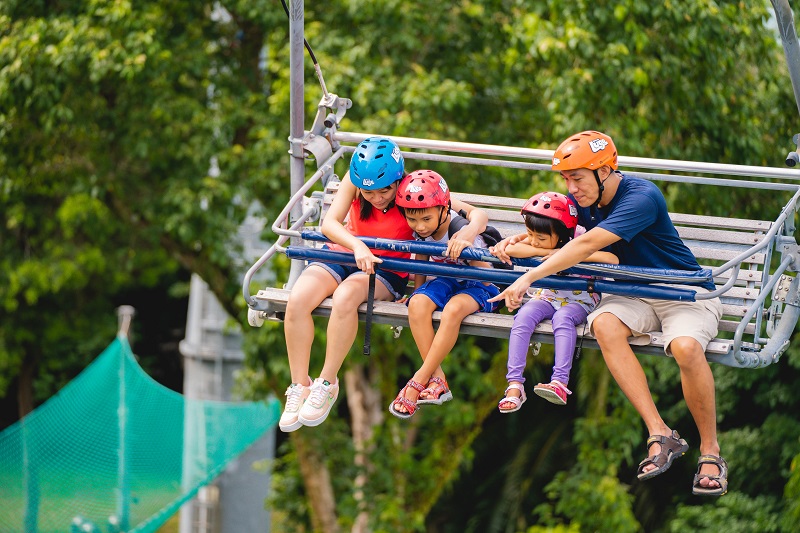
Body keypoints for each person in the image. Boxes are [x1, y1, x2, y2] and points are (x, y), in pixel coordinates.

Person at [490, 131, 727, 496]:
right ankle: (659, 432)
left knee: (685, 348)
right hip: (633, 292)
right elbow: (555, 233)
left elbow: (585, 244)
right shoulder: (581, 200)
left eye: (578, 178)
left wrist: (529, 276)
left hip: (684, 293)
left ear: (605, 171)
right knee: (603, 323)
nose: (571, 188)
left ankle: (710, 450)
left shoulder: (641, 196)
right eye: (566, 179)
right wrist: (515, 242)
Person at [279, 138, 489, 432]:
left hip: (385, 269)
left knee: (346, 297)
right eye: (369, 192)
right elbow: (329, 224)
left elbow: (477, 214)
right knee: (298, 299)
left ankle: (327, 382)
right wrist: (357, 246)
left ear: (397, 179)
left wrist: (467, 233)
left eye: (384, 191)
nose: (377, 198)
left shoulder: (412, 190)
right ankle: (299, 384)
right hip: (348, 252)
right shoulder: (354, 184)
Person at [389, 170, 499, 419]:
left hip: (480, 283)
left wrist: (468, 244)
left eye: (426, 219)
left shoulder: (457, 225)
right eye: (413, 220)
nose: (420, 226)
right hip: (447, 278)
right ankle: (438, 379)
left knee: (452, 310)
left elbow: (488, 273)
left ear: (442, 210)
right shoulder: (421, 226)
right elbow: (422, 257)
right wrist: (417, 291)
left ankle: (419, 379)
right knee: (416, 304)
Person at [494, 192, 618, 412]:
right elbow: (513, 249)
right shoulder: (538, 235)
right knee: (523, 316)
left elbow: (611, 258)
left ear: (563, 233)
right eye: (530, 234)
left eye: (540, 238)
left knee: (563, 318)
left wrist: (566, 254)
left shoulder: (582, 237)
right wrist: (547, 249)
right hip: (549, 295)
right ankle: (514, 385)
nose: (533, 240)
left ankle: (559, 381)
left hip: (581, 298)